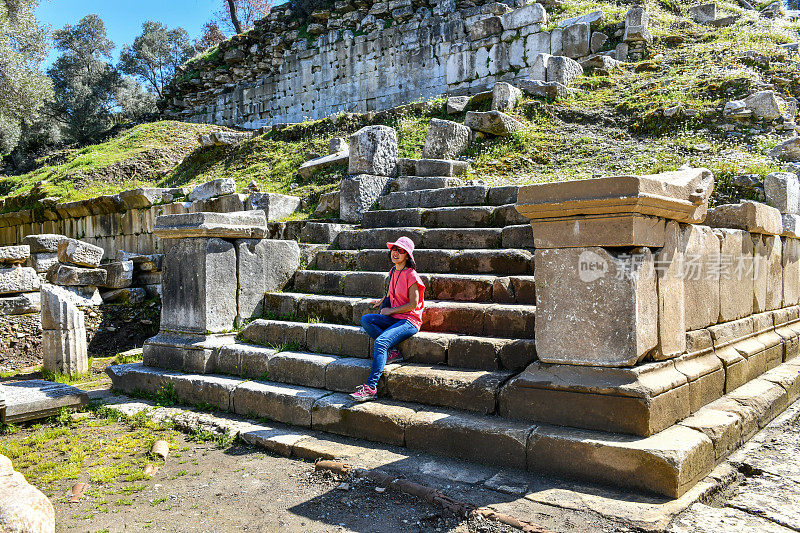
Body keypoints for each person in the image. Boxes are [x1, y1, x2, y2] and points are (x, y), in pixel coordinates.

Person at [350, 236, 425, 402]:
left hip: (409, 321)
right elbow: (392, 291)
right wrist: (383, 300)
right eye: (394, 249)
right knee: (366, 320)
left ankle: (370, 388)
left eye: (401, 251)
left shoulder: (411, 275)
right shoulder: (393, 271)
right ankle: (391, 353)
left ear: (408, 256)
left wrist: (390, 310)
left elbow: (413, 304)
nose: (396, 253)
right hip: (394, 317)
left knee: (381, 342)